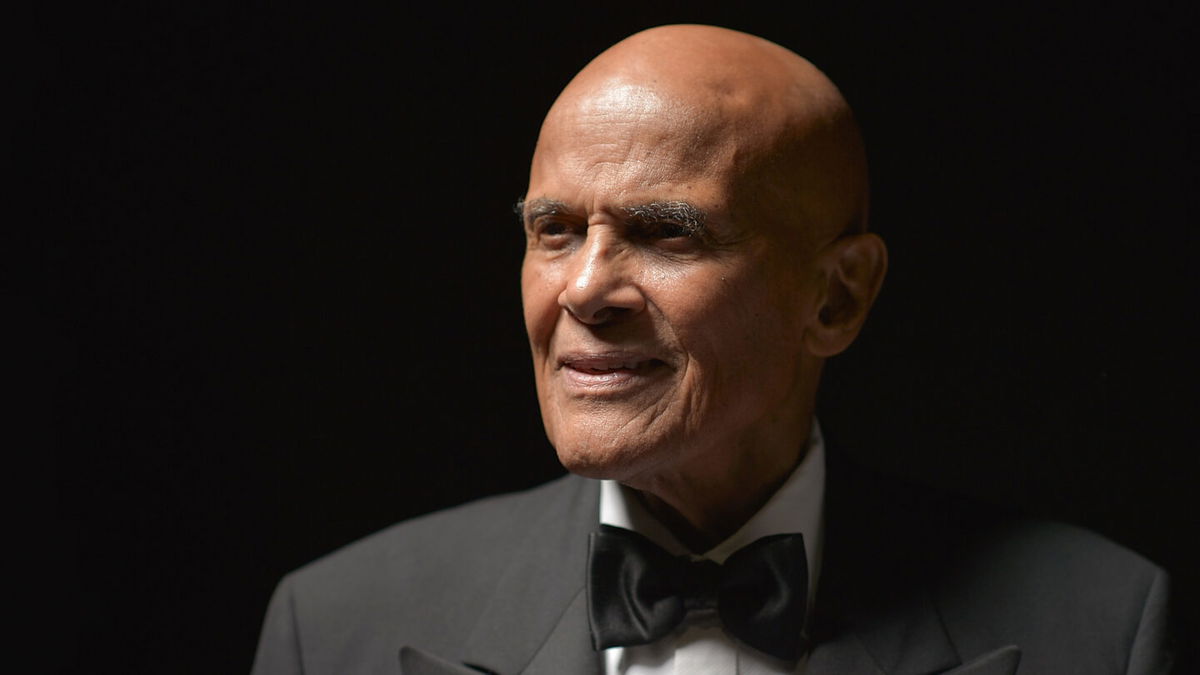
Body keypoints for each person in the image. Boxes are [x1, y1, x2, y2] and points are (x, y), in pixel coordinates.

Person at [251, 25, 1172, 675]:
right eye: (556, 231)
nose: (582, 290)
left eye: (664, 234)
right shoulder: (335, 626)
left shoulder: (1104, 626)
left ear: (835, 296)